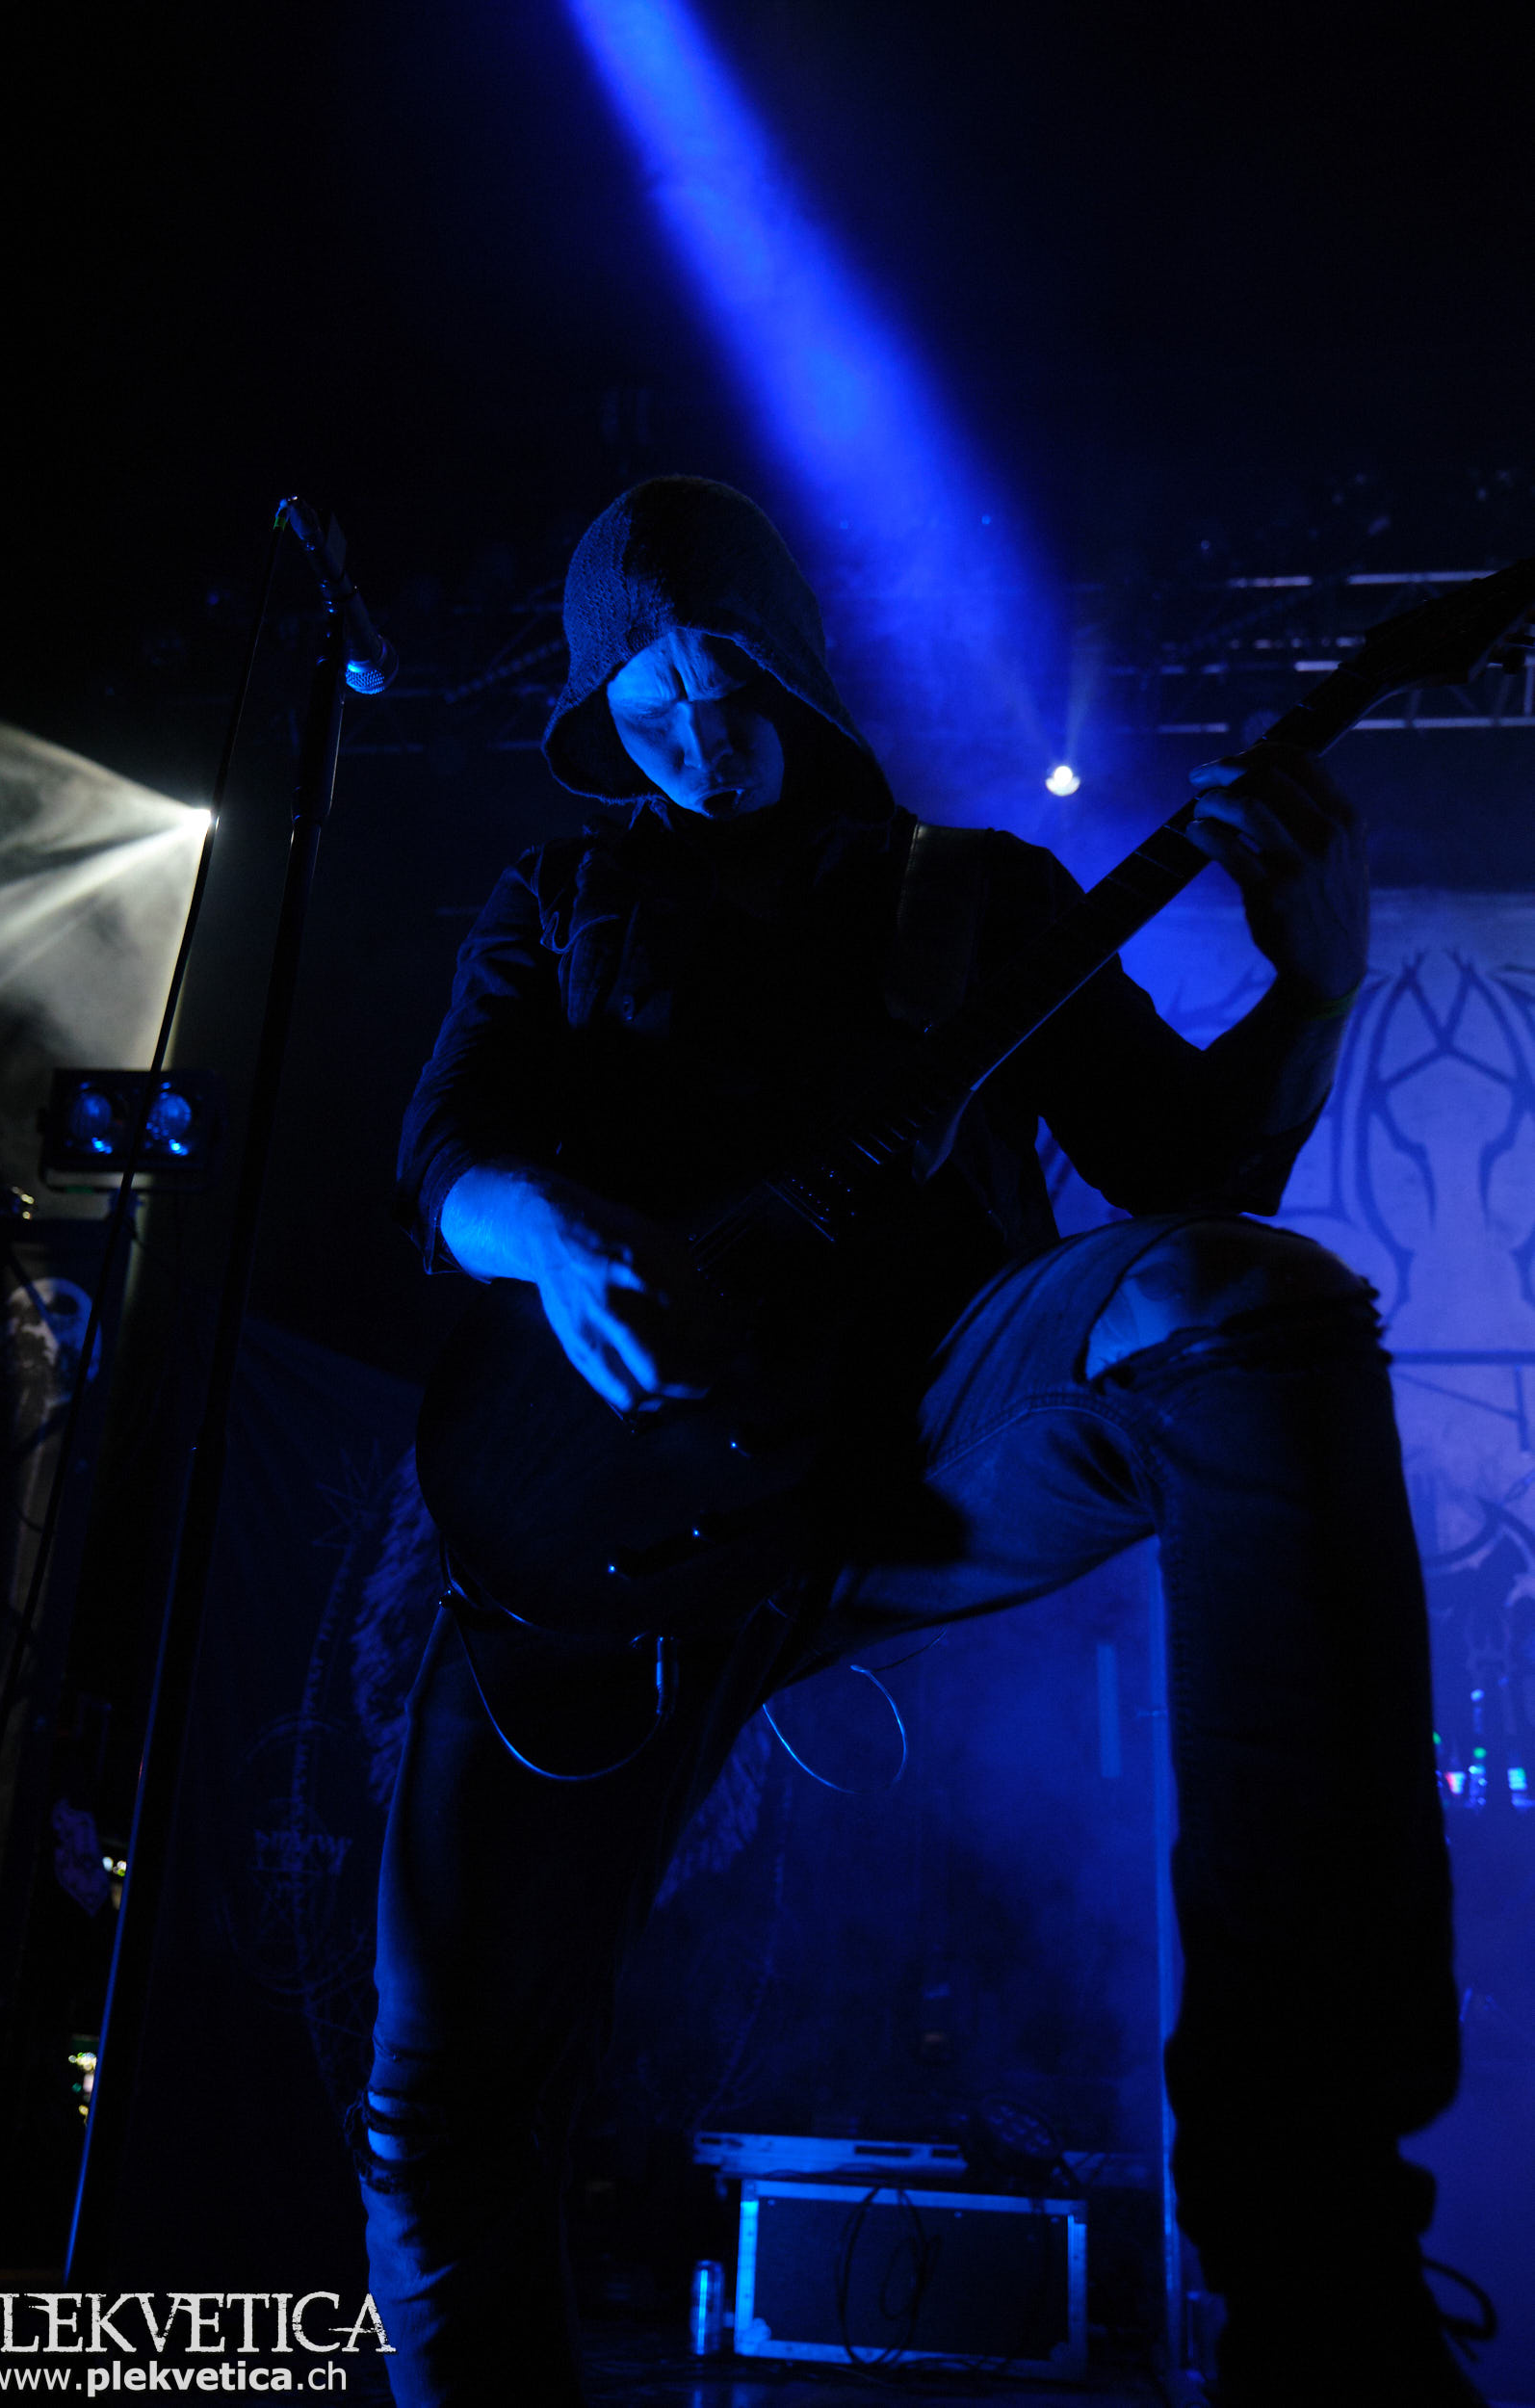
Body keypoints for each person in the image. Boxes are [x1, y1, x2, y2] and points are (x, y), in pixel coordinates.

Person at [354, 476, 1473, 2407]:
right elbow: (440, 1154)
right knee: (438, 2112)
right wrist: (547, 1235)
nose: (692, 721)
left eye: (720, 670)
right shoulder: (559, 898)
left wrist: (1316, 984)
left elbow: (1196, 1165)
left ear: (791, 660)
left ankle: (1316, 2251)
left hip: (917, 1428)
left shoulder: (982, 897)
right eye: (643, 691)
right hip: (595, 1499)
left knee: (1247, 1306)